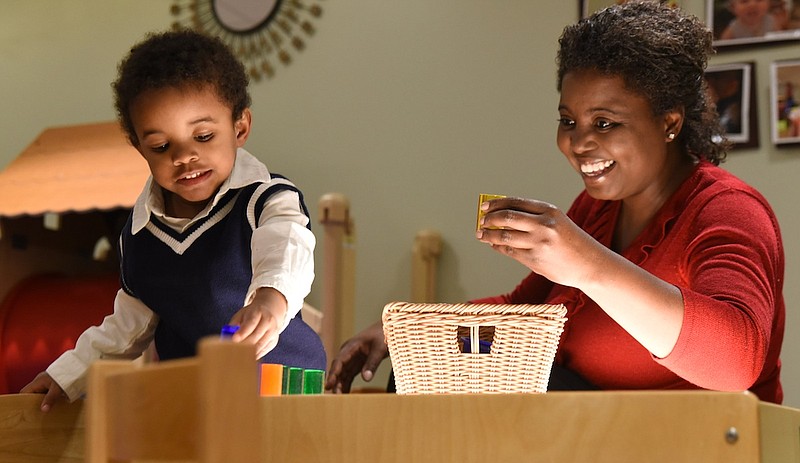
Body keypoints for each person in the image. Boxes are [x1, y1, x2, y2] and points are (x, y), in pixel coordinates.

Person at [326, 1, 785, 404]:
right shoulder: (599, 211)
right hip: (594, 452)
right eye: (569, 120)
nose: (579, 142)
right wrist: (407, 331)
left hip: (699, 460)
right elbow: (522, 309)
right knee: (419, 380)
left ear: (669, 122)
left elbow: (737, 362)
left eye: (605, 123)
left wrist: (587, 264)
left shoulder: (728, 210)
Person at [22, 30, 326, 410]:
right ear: (139, 148)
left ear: (240, 128)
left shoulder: (266, 198)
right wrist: (67, 375)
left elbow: (287, 248)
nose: (185, 156)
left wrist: (270, 299)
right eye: (162, 147)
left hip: (282, 383)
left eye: (202, 135)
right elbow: (127, 326)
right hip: (194, 397)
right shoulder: (140, 236)